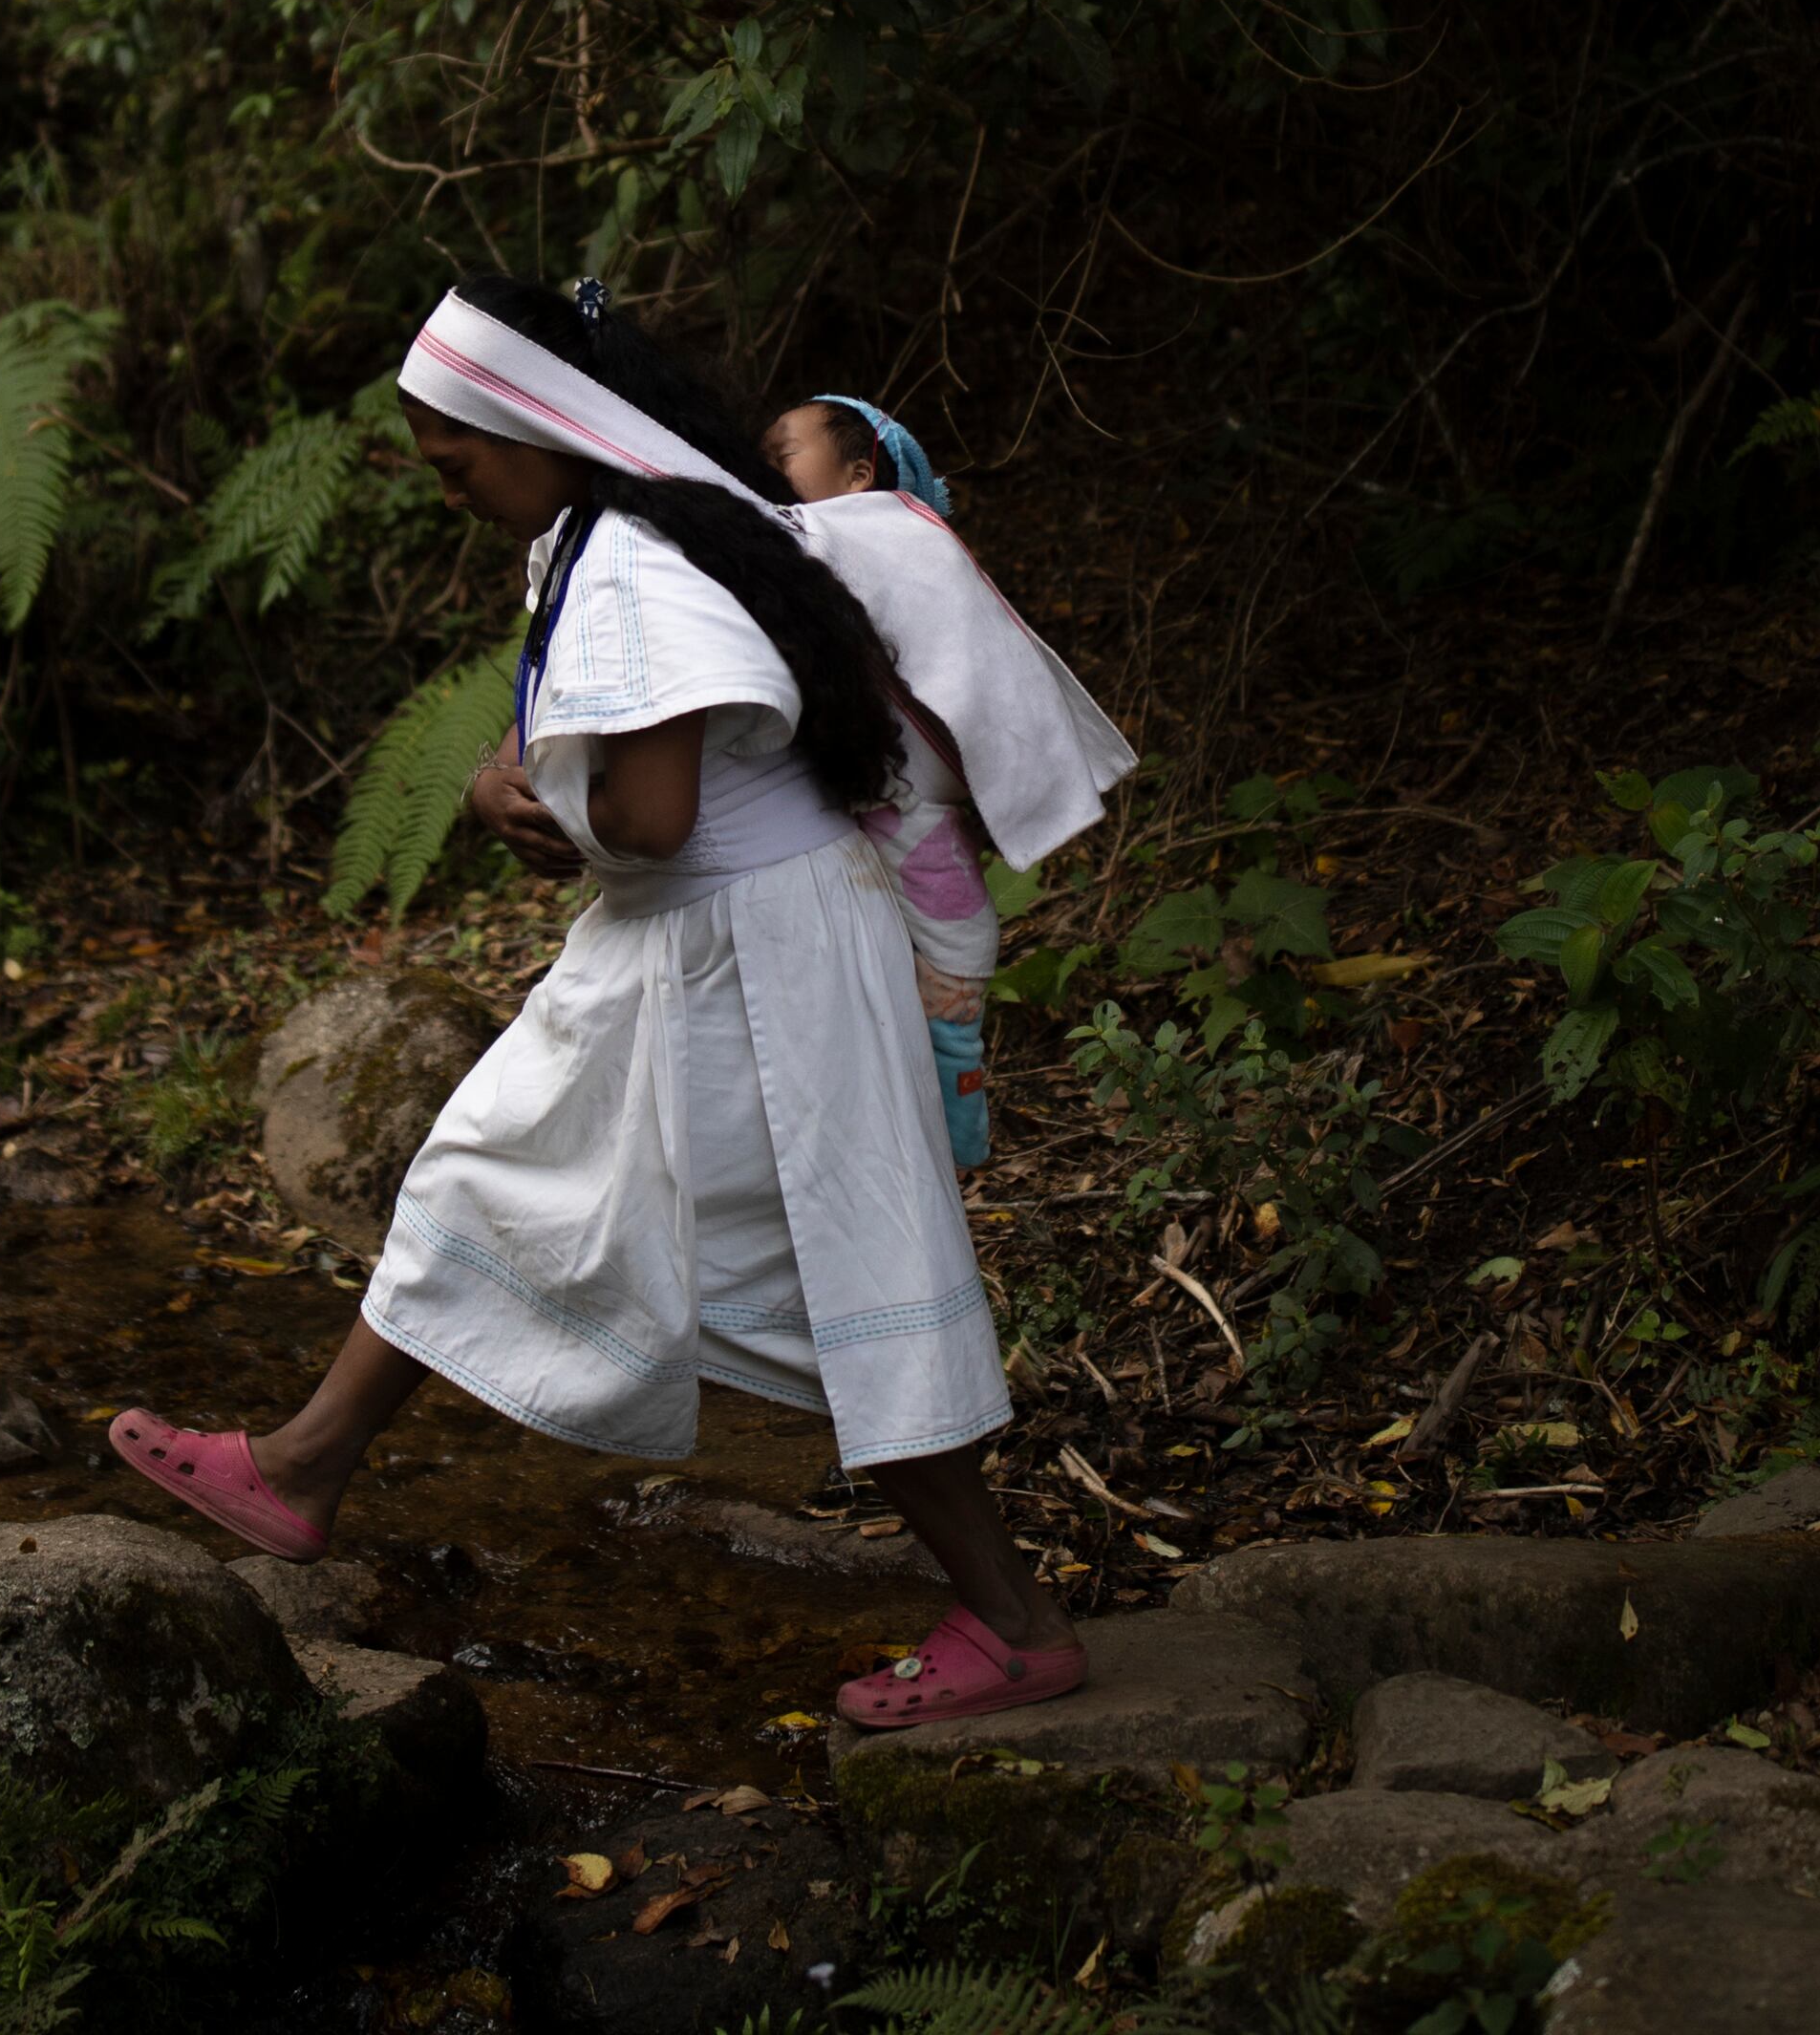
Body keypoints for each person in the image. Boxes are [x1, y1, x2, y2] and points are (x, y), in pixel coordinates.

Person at [109, 278, 1086, 1726]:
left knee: (840, 1276)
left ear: (538, 424)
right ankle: (303, 1466)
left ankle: (1011, 1623)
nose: (452, 493)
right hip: (714, 943)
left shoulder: (637, 555)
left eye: (459, 466)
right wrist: (513, 771)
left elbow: (652, 812)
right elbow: (605, 735)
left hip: (747, 958)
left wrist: (540, 809)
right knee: (494, 1175)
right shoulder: (618, 531)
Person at [762, 391, 1139, 1171]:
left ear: (859, 473)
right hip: (889, 788)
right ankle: (947, 1105)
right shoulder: (869, 533)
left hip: (900, 790)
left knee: (957, 944)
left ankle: (956, 1117)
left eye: (783, 452)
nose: (764, 467)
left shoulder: (871, 529)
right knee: (948, 937)